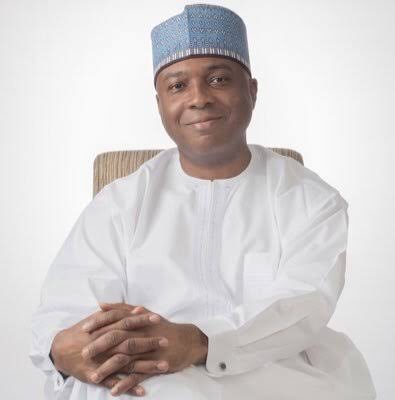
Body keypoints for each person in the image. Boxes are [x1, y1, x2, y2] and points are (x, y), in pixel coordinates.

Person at [30, 3, 377, 399]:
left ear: (252, 91)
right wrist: (65, 347)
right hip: (147, 369)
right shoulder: (121, 202)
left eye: (218, 79)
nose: (199, 98)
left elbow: (302, 306)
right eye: (177, 86)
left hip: (276, 370)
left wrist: (202, 341)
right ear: (159, 104)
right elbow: (66, 307)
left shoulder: (310, 200)